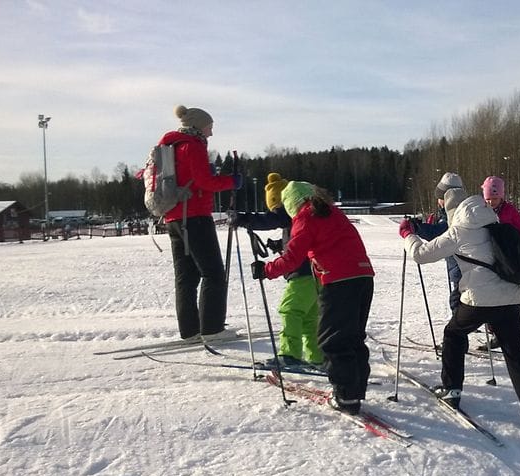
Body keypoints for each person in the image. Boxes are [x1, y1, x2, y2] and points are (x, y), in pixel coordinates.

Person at [399, 192, 520, 438]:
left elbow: (420, 255)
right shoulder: (495, 224)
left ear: (454, 211)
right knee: (515, 354)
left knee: (453, 334)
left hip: (478, 300)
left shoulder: (458, 231)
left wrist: (407, 234)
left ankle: (452, 390)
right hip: (510, 298)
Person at [251, 181, 374, 415]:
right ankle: (354, 390)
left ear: (291, 204)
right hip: (363, 276)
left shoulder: (306, 217)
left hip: (338, 279)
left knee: (333, 340)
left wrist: (266, 270)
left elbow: (293, 258)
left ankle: (346, 397)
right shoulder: (331, 212)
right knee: (353, 337)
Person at [160, 105, 242, 341]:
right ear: (198, 126)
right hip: (194, 215)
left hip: (174, 217)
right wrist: (231, 182)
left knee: (186, 277)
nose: (211, 133)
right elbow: (204, 181)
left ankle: (190, 330)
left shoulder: (171, 147)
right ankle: (212, 329)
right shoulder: (192, 146)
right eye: (209, 127)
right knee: (213, 273)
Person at [230, 173, 323, 371]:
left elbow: (270, 220)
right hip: (316, 276)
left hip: (302, 275)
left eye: (275, 207)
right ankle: (317, 357)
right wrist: (280, 244)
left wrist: (245, 219)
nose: (276, 211)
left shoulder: (290, 211)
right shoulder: (302, 217)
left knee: (290, 310)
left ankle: (290, 355)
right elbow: (296, 240)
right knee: (309, 318)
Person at [480, 175, 520, 350]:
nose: (491, 202)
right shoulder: (481, 210)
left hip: (507, 258)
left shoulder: (509, 210)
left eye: (495, 198)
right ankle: (494, 330)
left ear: (502, 197)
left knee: (505, 294)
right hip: (489, 256)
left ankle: (505, 330)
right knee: (490, 296)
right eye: (488, 199)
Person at [412, 172, 465, 312]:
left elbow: (440, 233)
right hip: (460, 267)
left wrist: (418, 228)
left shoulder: (454, 216)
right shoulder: (464, 210)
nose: (438, 202)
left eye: (441, 198)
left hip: (460, 268)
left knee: (458, 300)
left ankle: (460, 326)